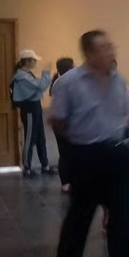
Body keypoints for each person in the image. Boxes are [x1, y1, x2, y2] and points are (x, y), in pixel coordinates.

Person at [50, 30, 129, 257]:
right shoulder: (69, 83)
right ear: (89, 53)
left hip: (117, 154)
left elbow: (126, 116)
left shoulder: (118, 81)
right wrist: (79, 142)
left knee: (122, 218)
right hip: (86, 156)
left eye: (110, 46)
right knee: (80, 216)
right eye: (103, 47)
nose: (110, 51)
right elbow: (57, 120)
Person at [11, 49, 53, 177]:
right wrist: (46, 73)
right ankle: (27, 167)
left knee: (40, 137)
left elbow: (38, 87)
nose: (35, 63)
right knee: (30, 138)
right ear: (27, 61)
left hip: (35, 106)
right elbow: (40, 86)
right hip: (29, 108)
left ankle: (45, 165)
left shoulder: (27, 74)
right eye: (34, 60)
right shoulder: (21, 76)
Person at [50, 57, 75, 193]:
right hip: (64, 122)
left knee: (66, 152)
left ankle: (68, 181)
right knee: (66, 152)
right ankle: (66, 182)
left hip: (62, 121)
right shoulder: (65, 81)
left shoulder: (59, 81)